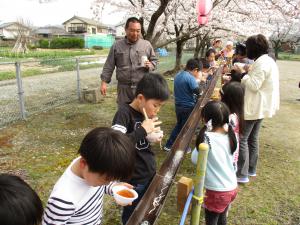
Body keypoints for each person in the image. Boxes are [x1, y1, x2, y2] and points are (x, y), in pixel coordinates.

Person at [42, 127, 136, 225]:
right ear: (83, 163)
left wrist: (113, 188)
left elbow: (102, 185)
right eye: (107, 179)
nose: (109, 182)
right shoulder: (62, 201)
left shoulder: (93, 164)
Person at [111, 73, 170, 224]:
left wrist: (151, 136)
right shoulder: (123, 114)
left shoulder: (146, 114)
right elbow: (116, 146)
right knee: (132, 215)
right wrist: (143, 131)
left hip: (149, 172)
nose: (157, 110)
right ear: (140, 98)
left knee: (145, 209)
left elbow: (139, 141)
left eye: (160, 106)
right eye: (155, 105)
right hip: (134, 178)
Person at [236, 34, 280, 183]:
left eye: (248, 47)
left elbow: (254, 85)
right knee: (252, 139)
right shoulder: (267, 60)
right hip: (261, 107)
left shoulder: (262, 63)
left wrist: (242, 74)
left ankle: (242, 174)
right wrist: (249, 70)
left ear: (253, 48)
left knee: (242, 138)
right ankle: (251, 169)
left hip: (255, 106)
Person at [191, 101, 238, 225]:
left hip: (217, 192)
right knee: (222, 217)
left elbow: (195, 159)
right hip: (232, 186)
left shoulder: (207, 138)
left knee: (211, 221)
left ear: (205, 119)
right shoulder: (231, 135)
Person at [100, 17, 158, 105]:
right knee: (124, 114)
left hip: (142, 88)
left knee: (141, 115)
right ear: (126, 30)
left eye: (138, 31)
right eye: (132, 30)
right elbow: (109, 65)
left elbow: (154, 61)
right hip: (123, 89)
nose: (135, 34)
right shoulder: (117, 46)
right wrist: (104, 83)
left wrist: (150, 65)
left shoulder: (146, 45)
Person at [164, 58, 203, 152]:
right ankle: (183, 147)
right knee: (186, 128)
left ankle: (169, 145)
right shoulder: (190, 77)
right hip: (187, 107)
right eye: (198, 72)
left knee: (180, 126)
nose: (198, 74)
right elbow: (198, 91)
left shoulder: (179, 74)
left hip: (178, 105)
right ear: (195, 70)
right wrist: (200, 80)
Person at [220, 82, 245, 171]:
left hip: (226, 152)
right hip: (232, 150)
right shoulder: (237, 113)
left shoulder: (230, 118)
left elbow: (215, 131)